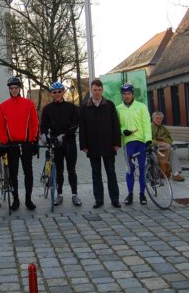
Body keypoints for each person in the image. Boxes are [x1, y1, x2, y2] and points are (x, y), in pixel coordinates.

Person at [0, 76, 39, 211]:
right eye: (11, 88)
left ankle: (28, 198)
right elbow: (0, 125)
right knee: (13, 173)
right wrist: (3, 142)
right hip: (11, 145)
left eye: (16, 88)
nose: (14, 90)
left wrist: (32, 140)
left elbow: (34, 123)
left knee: (28, 172)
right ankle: (15, 199)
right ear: (9, 89)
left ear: (20, 88)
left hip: (26, 143)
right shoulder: (4, 105)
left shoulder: (28, 104)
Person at [79, 79, 121, 209]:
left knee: (111, 173)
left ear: (102, 90)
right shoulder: (85, 107)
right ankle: (99, 199)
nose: (97, 92)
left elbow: (115, 125)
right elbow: (82, 127)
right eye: (94, 90)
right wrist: (83, 145)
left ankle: (115, 199)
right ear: (91, 90)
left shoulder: (109, 105)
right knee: (96, 173)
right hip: (92, 146)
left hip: (109, 144)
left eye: (99, 90)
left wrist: (117, 143)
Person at [40, 81, 81, 206]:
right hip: (55, 143)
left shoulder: (71, 107)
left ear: (63, 92)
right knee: (59, 170)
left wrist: (64, 135)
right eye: (54, 92)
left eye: (59, 92)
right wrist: (44, 136)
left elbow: (75, 124)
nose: (57, 94)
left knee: (71, 169)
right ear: (51, 94)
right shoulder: (47, 109)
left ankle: (74, 194)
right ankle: (59, 194)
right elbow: (43, 126)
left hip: (69, 142)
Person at [116, 83, 152, 206]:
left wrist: (148, 139)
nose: (126, 96)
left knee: (142, 168)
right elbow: (117, 125)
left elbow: (146, 124)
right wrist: (122, 131)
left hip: (141, 142)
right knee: (130, 169)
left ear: (132, 94)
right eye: (124, 94)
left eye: (128, 94)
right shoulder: (118, 109)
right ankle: (130, 194)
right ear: (122, 95)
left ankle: (142, 194)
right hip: (128, 143)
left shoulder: (141, 107)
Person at [151, 111, 185, 182]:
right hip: (153, 148)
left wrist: (164, 141)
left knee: (173, 153)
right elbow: (146, 139)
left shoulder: (164, 128)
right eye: (157, 118)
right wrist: (157, 142)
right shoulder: (149, 127)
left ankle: (176, 174)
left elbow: (170, 139)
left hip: (164, 147)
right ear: (153, 118)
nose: (158, 120)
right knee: (153, 156)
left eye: (160, 118)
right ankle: (155, 174)